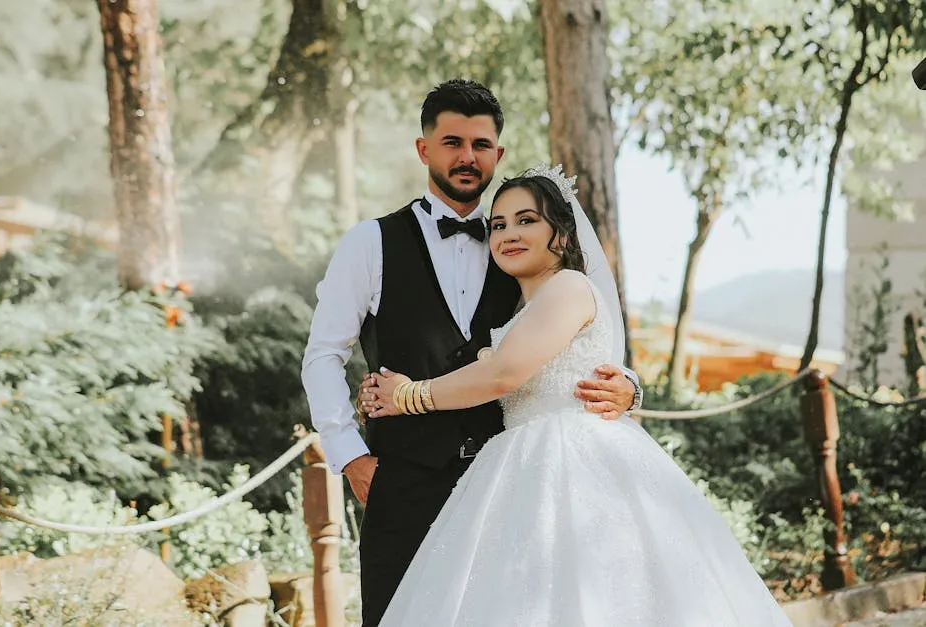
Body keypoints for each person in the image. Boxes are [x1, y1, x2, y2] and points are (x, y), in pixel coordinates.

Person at [369, 169, 793, 626]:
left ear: (562, 232)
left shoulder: (569, 286)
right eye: (499, 225)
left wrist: (409, 395)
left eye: (526, 220)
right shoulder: (517, 307)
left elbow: (503, 373)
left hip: (573, 458)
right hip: (517, 458)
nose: (509, 234)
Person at [301, 80, 643, 627]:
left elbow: (576, 330)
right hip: (404, 480)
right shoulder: (370, 241)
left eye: (480, 145)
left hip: (511, 486)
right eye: (452, 142)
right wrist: (350, 458)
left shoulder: (522, 243)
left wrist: (626, 384)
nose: (467, 157)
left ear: (498, 154)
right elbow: (323, 354)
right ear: (424, 149)